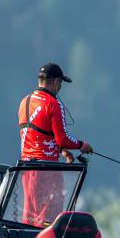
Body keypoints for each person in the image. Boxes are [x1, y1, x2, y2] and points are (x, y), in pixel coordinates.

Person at [17, 62, 94, 225]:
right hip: (47, 171)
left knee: (30, 217)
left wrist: (62, 150)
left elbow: (37, 133)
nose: (60, 88)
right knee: (50, 219)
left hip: (26, 169)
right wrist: (82, 145)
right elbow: (63, 139)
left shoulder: (25, 101)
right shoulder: (53, 104)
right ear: (55, 81)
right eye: (60, 84)